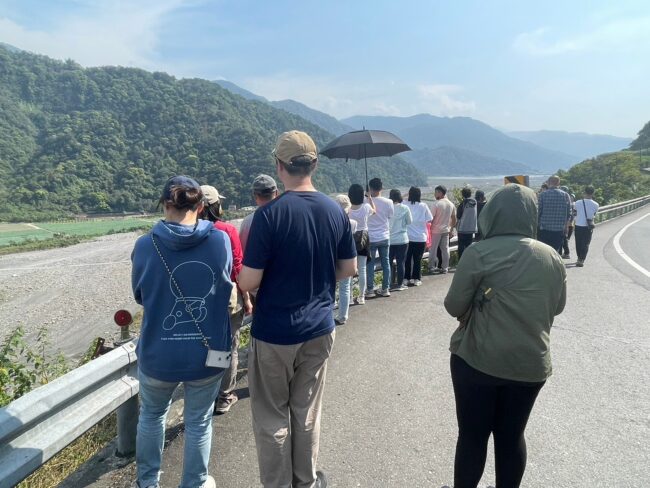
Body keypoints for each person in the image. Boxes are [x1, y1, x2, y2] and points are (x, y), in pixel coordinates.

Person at [238, 130, 357, 488]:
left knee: (271, 416)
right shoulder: (334, 211)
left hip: (274, 332)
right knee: (306, 412)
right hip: (319, 327)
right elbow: (349, 269)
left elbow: (249, 281)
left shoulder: (268, 216)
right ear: (315, 165)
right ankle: (305, 481)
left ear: (279, 166)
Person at [444, 184, 566, 488]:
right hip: (531, 364)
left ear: (492, 213)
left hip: (478, 360)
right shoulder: (551, 256)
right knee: (512, 437)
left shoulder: (478, 252)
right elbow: (558, 306)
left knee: (472, 436)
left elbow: (453, 306)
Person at [131, 176, 233, 488]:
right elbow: (225, 286)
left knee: (151, 416)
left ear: (164, 204)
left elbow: (140, 295)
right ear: (201, 207)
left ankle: (147, 483)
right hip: (207, 352)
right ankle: (194, 483)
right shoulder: (219, 241)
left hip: (157, 353)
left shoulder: (145, 245)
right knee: (199, 422)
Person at [199, 184, 247, 415]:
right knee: (228, 345)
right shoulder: (226, 230)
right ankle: (224, 396)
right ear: (216, 205)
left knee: (205, 347)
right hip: (226, 300)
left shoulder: (187, 231)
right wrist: (247, 297)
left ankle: (205, 394)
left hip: (198, 302)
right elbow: (237, 267)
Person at [365, 177, 394, 298]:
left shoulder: (365, 201)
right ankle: (385, 288)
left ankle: (370, 290)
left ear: (370, 188)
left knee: (370, 265)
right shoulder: (389, 202)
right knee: (386, 263)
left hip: (370, 237)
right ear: (382, 188)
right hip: (384, 236)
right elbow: (390, 216)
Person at [348, 183, 375, 304]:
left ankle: (349, 297)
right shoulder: (366, 207)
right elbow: (375, 211)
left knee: (350, 270)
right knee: (362, 269)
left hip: (350, 239)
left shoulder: (348, 210)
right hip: (364, 239)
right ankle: (361, 296)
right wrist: (369, 198)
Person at [239, 174, 279, 253]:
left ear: (254, 195)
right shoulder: (286, 218)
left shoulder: (247, 222)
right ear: (276, 193)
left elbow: (243, 250)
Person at [334, 194, 358, 324]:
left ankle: (329, 310)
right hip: (347, 257)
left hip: (333, 257)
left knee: (331, 286)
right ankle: (343, 316)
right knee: (345, 287)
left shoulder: (331, 222)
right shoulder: (353, 223)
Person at [405, 186, 433, 286]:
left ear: (409, 194)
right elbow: (430, 219)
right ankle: (416, 278)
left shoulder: (405, 204)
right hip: (420, 237)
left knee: (407, 259)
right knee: (417, 259)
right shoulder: (423, 206)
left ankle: (406, 278)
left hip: (408, 237)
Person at [537, 175, 571, 253]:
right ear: (558, 183)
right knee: (555, 252)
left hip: (544, 229)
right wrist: (566, 227)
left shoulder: (542, 195)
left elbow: (538, 212)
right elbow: (569, 213)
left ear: (548, 183)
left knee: (543, 252)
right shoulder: (565, 195)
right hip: (559, 230)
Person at [428, 185, 456, 274]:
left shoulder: (436, 204)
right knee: (445, 249)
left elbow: (430, 218)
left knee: (433, 249)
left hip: (435, 230)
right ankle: (445, 267)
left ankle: (432, 267)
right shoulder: (451, 204)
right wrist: (451, 229)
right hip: (446, 230)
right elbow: (454, 218)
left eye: (436, 192)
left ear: (440, 193)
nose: (434, 194)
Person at [388, 189, 412, 291]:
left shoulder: (388, 208)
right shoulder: (405, 208)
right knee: (401, 262)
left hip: (390, 239)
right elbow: (409, 222)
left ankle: (387, 284)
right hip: (402, 239)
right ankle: (400, 284)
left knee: (388, 263)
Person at [573, 185, 599, 267]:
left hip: (578, 225)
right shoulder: (596, 204)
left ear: (584, 192)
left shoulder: (577, 203)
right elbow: (594, 214)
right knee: (586, 243)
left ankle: (579, 258)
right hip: (588, 226)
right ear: (593, 193)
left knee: (578, 242)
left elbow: (574, 213)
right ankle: (581, 259)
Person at [456, 187, 478, 260]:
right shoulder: (475, 202)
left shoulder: (463, 203)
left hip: (462, 229)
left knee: (461, 247)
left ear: (462, 195)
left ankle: (461, 262)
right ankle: (468, 261)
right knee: (469, 247)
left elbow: (458, 216)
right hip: (471, 229)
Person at [560, 187, 576, 259]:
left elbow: (571, 214)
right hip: (566, 224)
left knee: (563, 239)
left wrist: (568, 223)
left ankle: (565, 253)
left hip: (565, 224)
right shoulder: (567, 200)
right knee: (564, 239)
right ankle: (565, 253)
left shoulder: (568, 202)